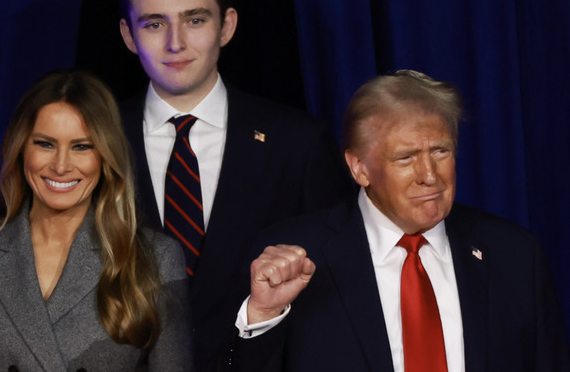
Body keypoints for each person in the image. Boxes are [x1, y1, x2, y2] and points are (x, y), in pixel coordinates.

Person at [231, 70, 570, 371]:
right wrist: (263, 316)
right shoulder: (295, 258)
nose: (429, 176)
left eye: (440, 151)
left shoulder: (514, 255)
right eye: (406, 158)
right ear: (359, 168)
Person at [116, 0, 352, 370]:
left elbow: (336, 291)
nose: (175, 43)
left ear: (226, 26)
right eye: (154, 24)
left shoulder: (296, 144)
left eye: (195, 20)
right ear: (129, 36)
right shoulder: (95, 141)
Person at [0, 70, 193, 371]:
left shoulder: (156, 258)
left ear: (105, 155)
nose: (61, 166)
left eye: (81, 146)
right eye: (45, 144)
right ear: (21, 148)